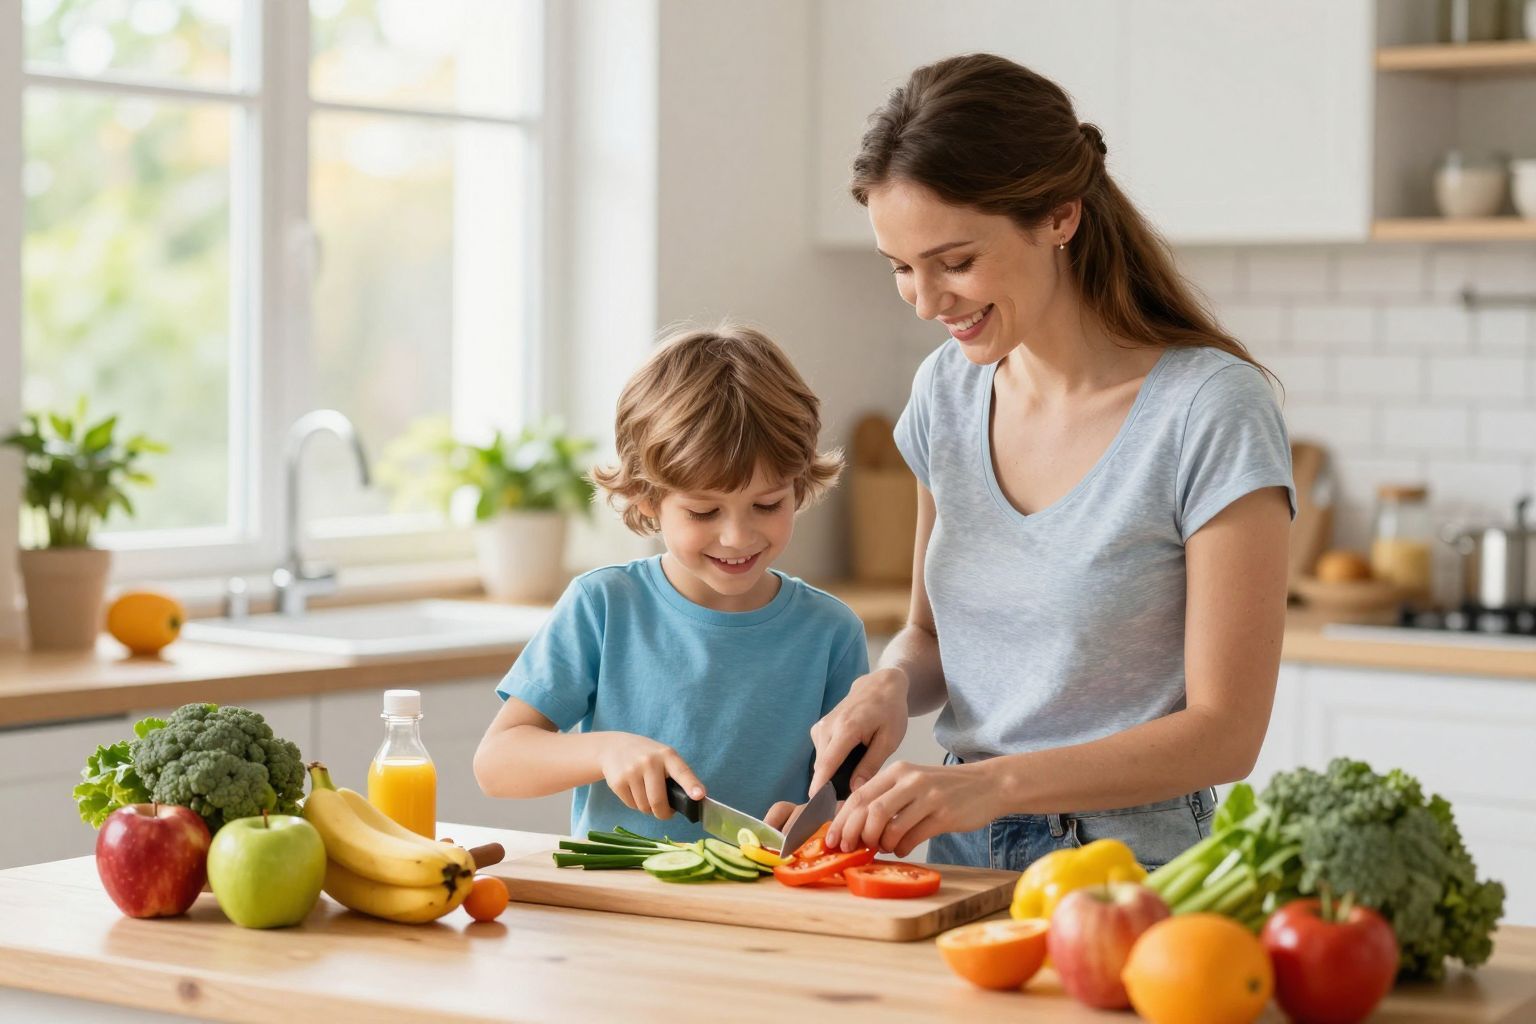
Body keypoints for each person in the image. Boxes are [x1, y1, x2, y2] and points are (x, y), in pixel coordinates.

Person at [809, 53, 1295, 871]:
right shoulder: (947, 393)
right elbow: (929, 634)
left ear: (1060, 217)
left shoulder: (1209, 408)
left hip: (1130, 864)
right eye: (901, 268)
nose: (927, 302)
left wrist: (995, 786)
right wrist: (888, 684)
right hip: (946, 852)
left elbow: (1227, 734)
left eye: (955, 262)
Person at [473, 323, 869, 842]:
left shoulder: (830, 632)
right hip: (622, 906)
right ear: (647, 502)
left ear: (798, 486)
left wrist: (819, 821)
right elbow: (497, 764)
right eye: (704, 511)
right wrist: (605, 750)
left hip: (768, 904)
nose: (737, 535)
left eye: (767, 505)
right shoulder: (605, 606)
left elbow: (847, 793)